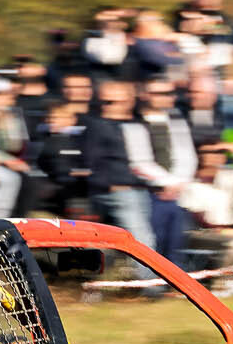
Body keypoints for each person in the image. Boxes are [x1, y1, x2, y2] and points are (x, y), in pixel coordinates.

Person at [82, 80, 154, 249]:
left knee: (146, 238)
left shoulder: (138, 124)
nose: (108, 106)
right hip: (119, 191)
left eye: (114, 102)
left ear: (130, 101)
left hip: (142, 188)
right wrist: (110, 185)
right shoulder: (97, 126)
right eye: (105, 102)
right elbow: (91, 161)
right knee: (142, 242)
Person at [134, 78, 198, 263]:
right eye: (159, 93)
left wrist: (179, 184)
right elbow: (138, 161)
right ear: (145, 95)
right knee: (155, 245)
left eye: (169, 93)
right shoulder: (137, 121)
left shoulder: (176, 119)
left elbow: (187, 155)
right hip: (150, 192)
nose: (167, 98)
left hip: (177, 192)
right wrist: (167, 183)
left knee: (176, 246)